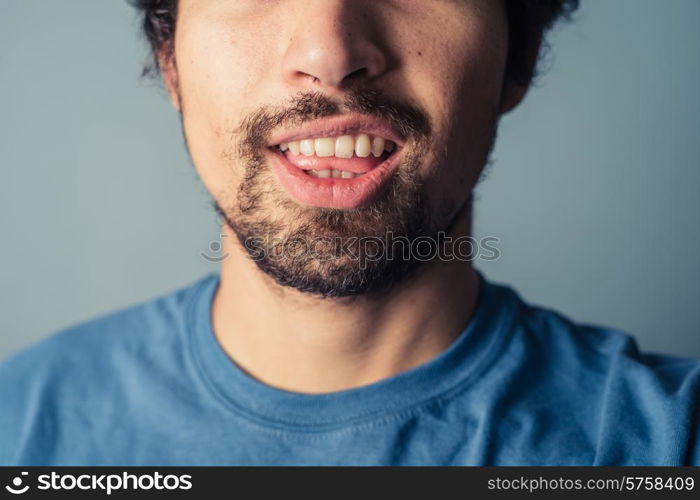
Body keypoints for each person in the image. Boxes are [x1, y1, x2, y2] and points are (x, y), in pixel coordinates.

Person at [1, 0, 698, 466]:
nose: (330, 53)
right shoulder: (20, 429)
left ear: (518, 51)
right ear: (170, 56)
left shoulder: (669, 448)